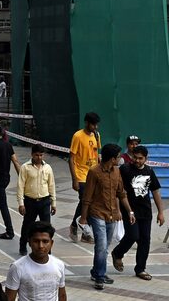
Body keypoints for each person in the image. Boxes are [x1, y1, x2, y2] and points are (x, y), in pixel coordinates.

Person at [78, 143, 135, 291]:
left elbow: (121, 194)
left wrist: (129, 211)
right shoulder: (94, 172)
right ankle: (100, 277)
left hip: (112, 214)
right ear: (111, 158)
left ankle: (96, 271)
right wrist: (83, 218)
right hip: (97, 213)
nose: (120, 159)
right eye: (118, 157)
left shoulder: (117, 171)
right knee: (102, 246)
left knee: (105, 247)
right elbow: (87, 196)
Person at [112, 144, 165, 281]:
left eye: (140, 158)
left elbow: (155, 192)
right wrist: (118, 209)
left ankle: (140, 269)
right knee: (133, 235)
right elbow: (118, 191)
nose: (137, 161)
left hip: (145, 212)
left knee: (145, 240)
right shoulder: (125, 169)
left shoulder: (149, 171)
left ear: (146, 158)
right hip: (129, 210)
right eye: (135, 157)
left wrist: (160, 212)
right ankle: (117, 253)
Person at [5, 221, 67, 301]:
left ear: (51, 243)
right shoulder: (17, 267)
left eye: (45, 241)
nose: (41, 246)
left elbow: (62, 296)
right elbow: (9, 298)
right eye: (36, 241)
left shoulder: (59, 265)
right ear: (29, 242)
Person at [16, 144, 57, 256]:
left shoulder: (48, 168)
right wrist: (21, 203)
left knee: (47, 227)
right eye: (36, 155)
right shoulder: (25, 167)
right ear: (32, 155)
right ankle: (23, 245)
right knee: (27, 225)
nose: (39, 157)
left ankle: (48, 249)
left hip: (44, 201)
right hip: (30, 201)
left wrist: (53, 203)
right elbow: (20, 186)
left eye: (41, 155)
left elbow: (51, 185)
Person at [69, 111, 101, 242]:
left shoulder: (97, 135)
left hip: (93, 174)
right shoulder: (77, 136)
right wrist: (74, 179)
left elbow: (97, 154)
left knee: (88, 203)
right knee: (85, 200)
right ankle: (85, 231)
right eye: (93, 124)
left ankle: (75, 226)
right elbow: (71, 158)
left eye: (96, 125)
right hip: (81, 174)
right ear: (87, 123)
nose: (95, 127)